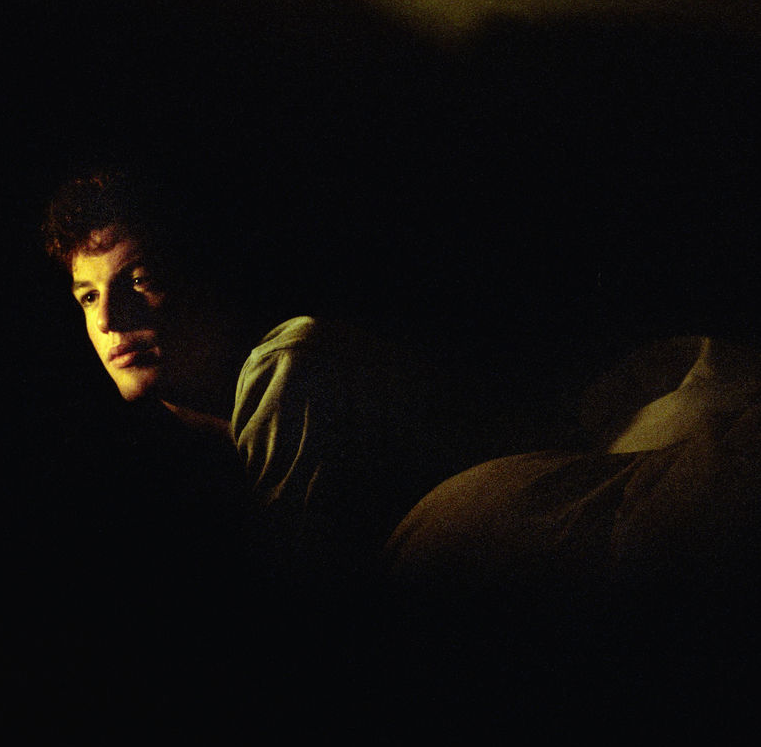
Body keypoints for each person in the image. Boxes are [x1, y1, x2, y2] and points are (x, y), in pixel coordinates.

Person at [41, 165, 475, 586]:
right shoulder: (173, 451)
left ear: (206, 279)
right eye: (89, 297)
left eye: (140, 280)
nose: (106, 320)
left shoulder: (289, 364)